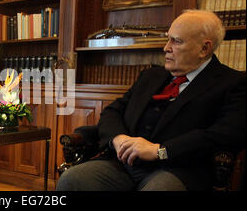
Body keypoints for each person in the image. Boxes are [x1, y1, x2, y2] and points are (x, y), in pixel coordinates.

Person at [56, 10, 245, 191]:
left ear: (204, 48)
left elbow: (225, 135)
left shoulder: (232, 83)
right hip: (123, 164)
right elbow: (113, 111)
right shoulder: (151, 76)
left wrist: (160, 151)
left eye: (176, 41)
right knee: (73, 180)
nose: (166, 47)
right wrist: (118, 139)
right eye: (168, 38)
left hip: (178, 169)